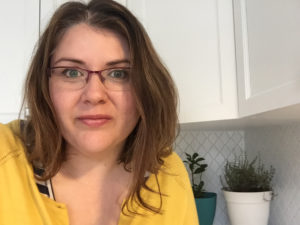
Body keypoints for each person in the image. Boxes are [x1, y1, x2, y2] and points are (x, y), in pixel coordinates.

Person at [0, 0, 198, 224]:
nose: (94, 95)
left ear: (147, 87)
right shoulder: (4, 154)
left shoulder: (168, 174)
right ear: (44, 85)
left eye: (119, 73)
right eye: (72, 72)